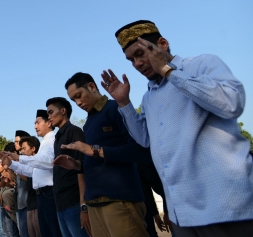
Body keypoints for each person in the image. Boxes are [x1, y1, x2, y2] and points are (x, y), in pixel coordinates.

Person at [101, 20, 253, 237]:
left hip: (226, 206)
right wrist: (124, 104)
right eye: (131, 60)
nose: (137, 64)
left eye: (140, 54)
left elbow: (231, 103)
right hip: (181, 212)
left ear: (162, 44)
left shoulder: (201, 64)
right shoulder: (149, 96)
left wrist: (168, 71)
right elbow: (145, 139)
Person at [56, 72, 151, 237]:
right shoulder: (88, 124)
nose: (78, 103)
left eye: (79, 96)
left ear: (92, 86)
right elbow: (96, 161)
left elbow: (140, 150)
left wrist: (95, 150)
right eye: (73, 100)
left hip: (120, 201)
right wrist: (77, 165)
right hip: (95, 205)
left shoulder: (115, 109)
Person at [0, 109, 63, 237]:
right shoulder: (45, 142)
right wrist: (11, 163)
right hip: (41, 195)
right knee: (46, 233)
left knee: (54, 232)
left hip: (49, 193)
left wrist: (18, 158)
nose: (35, 126)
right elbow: (33, 171)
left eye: (38, 122)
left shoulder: (53, 140)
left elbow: (49, 162)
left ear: (49, 123)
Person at [46, 97, 89, 237]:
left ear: (63, 111)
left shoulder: (74, 132)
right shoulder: (57, 138)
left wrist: (84, 206)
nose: (49, 117)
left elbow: (82, 169)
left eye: (51, 112)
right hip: (60, 203)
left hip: (74, 202)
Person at [19, 136, 41, 237]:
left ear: (33, 148)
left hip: (38, 205)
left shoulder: (40, 164)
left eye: (24, 148)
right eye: (21, 149)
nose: (22, 151)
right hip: (30, 205)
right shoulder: (27, 166)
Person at [14, 130, 31, 237]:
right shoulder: (18, 159)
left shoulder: (28, 159)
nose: (15, 144)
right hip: (20, 203)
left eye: (17, 141)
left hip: (27, 203)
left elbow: (30, 179)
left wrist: (15, 166)